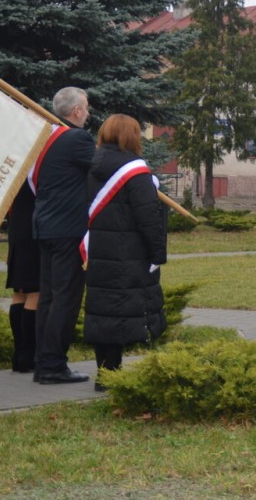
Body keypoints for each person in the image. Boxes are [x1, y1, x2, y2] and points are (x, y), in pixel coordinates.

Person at [83, 114, 167, 391]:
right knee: (120, 310)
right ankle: (113, 376)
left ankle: (104, 373)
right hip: (127, 252)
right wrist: (157, 253)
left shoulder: (90, 163)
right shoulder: (136, 171)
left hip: (97, 249)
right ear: (132, 136)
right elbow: (148, 218)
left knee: (102, 311)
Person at [32, 87, 94, 384]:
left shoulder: (47, 137)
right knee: (65, 299)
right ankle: (53, 365)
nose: (88, 113)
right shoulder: (76, 138)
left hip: (45, 226)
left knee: (48, 298)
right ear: (77, 111)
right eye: (87, 107)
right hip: (68, 229)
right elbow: (101, 168)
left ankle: (43, 361)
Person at [6, 181, 40, 373]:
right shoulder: (34, 169)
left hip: (17, 226)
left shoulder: (16, 169)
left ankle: (19, 355)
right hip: (32, 230)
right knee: (34, 292)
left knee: (19, 292)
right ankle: (28, 356)